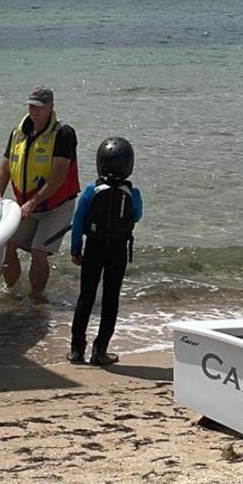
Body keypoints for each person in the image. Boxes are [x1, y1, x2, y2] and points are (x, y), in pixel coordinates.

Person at [0, 85, 80, 299]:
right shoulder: (17, 133)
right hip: (28, 205)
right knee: (7, 244)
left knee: (38, 252)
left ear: (51, 107)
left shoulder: (63, 133)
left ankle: (36, 300)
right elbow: (5, 169)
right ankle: (11, 294)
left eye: (39, 107)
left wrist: (34, 200)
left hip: (57, 206)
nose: (34, 111)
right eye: (31, 106)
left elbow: (59, 174)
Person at [68, 136, 143, 366]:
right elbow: (136, 216)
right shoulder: (133, 194)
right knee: (111, 299)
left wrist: (75, 249)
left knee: (86, 298)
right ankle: (100, 351)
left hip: (94, 248)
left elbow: (78, 222)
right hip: (117, 251)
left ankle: (76, 350)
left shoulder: (91, 191)